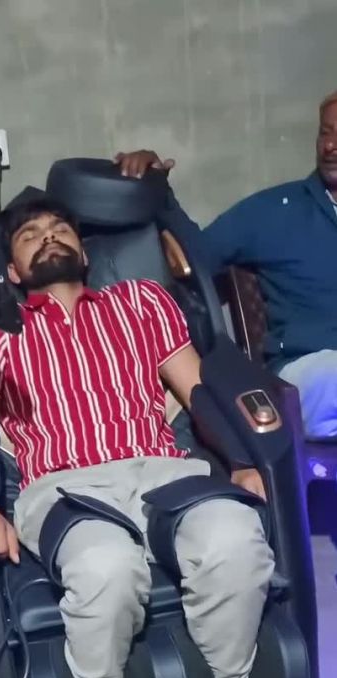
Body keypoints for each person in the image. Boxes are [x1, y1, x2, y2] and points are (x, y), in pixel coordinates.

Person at [0, 197, 275, 678]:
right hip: (62, 486)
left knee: (236, 541)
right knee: (106, 570)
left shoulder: (143, 302)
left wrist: (239, 460)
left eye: (60, 228)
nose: (49, 237)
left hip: (160, 470)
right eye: (30, 235)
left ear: (83, 250)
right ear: (13, 270)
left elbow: (197, 391)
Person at [114, 91, 337, 439]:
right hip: (310, 374)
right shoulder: (276, 210)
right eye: (325, 133)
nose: (330, 146)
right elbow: (195, 257)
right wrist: (159, 191)